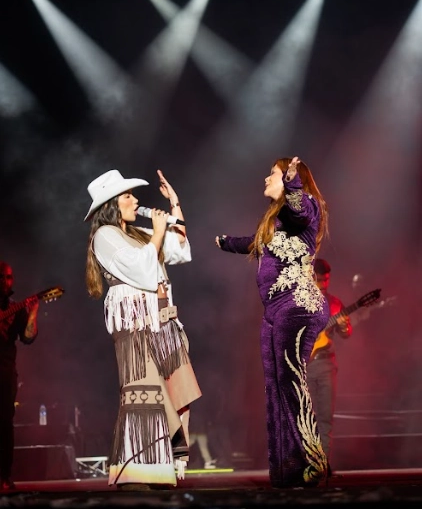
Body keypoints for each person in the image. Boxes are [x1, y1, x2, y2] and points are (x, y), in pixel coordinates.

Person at [215, 156, 330, 488]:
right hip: (274, 311)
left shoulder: (304, 204)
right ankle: (288, 468)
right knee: (277, 388)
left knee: (291, 382)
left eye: (273, 174)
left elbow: (300, 211)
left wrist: (293, 182)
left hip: (298, 305)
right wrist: (225, 242)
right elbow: (255, 243)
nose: (266, 179)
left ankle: (313, 461)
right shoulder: (276, 220)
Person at [85, 167, 202, 490]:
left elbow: (178, 250)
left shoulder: (136, 232)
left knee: (176, 395)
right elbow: (141, 269)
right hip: (137, 327)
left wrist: (174, 205)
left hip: (163, 324)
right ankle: (137, 473)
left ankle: (161, 469)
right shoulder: (105, 236)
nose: (136, 201)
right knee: (146, 396)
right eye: (128, 195)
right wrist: (158, 232)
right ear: (112, 204)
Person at [306, 258, 352, 470]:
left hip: (326, 364)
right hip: (305, 366)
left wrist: (343, 326)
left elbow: (346, 334)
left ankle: (322, 466)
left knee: (325, 418)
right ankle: (306, 464)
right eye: (319, 280)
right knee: (306, 418)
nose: (323, 284)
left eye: (326, 280)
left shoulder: (335, 304)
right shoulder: (299, 302)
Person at [0, 261, 39, 491]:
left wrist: (33, 312)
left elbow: (28, 338)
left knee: (5, 424)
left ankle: (4, 475)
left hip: (4, 374)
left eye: (8, 277)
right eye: (1, 277)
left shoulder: (16, 309)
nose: (5, 282)